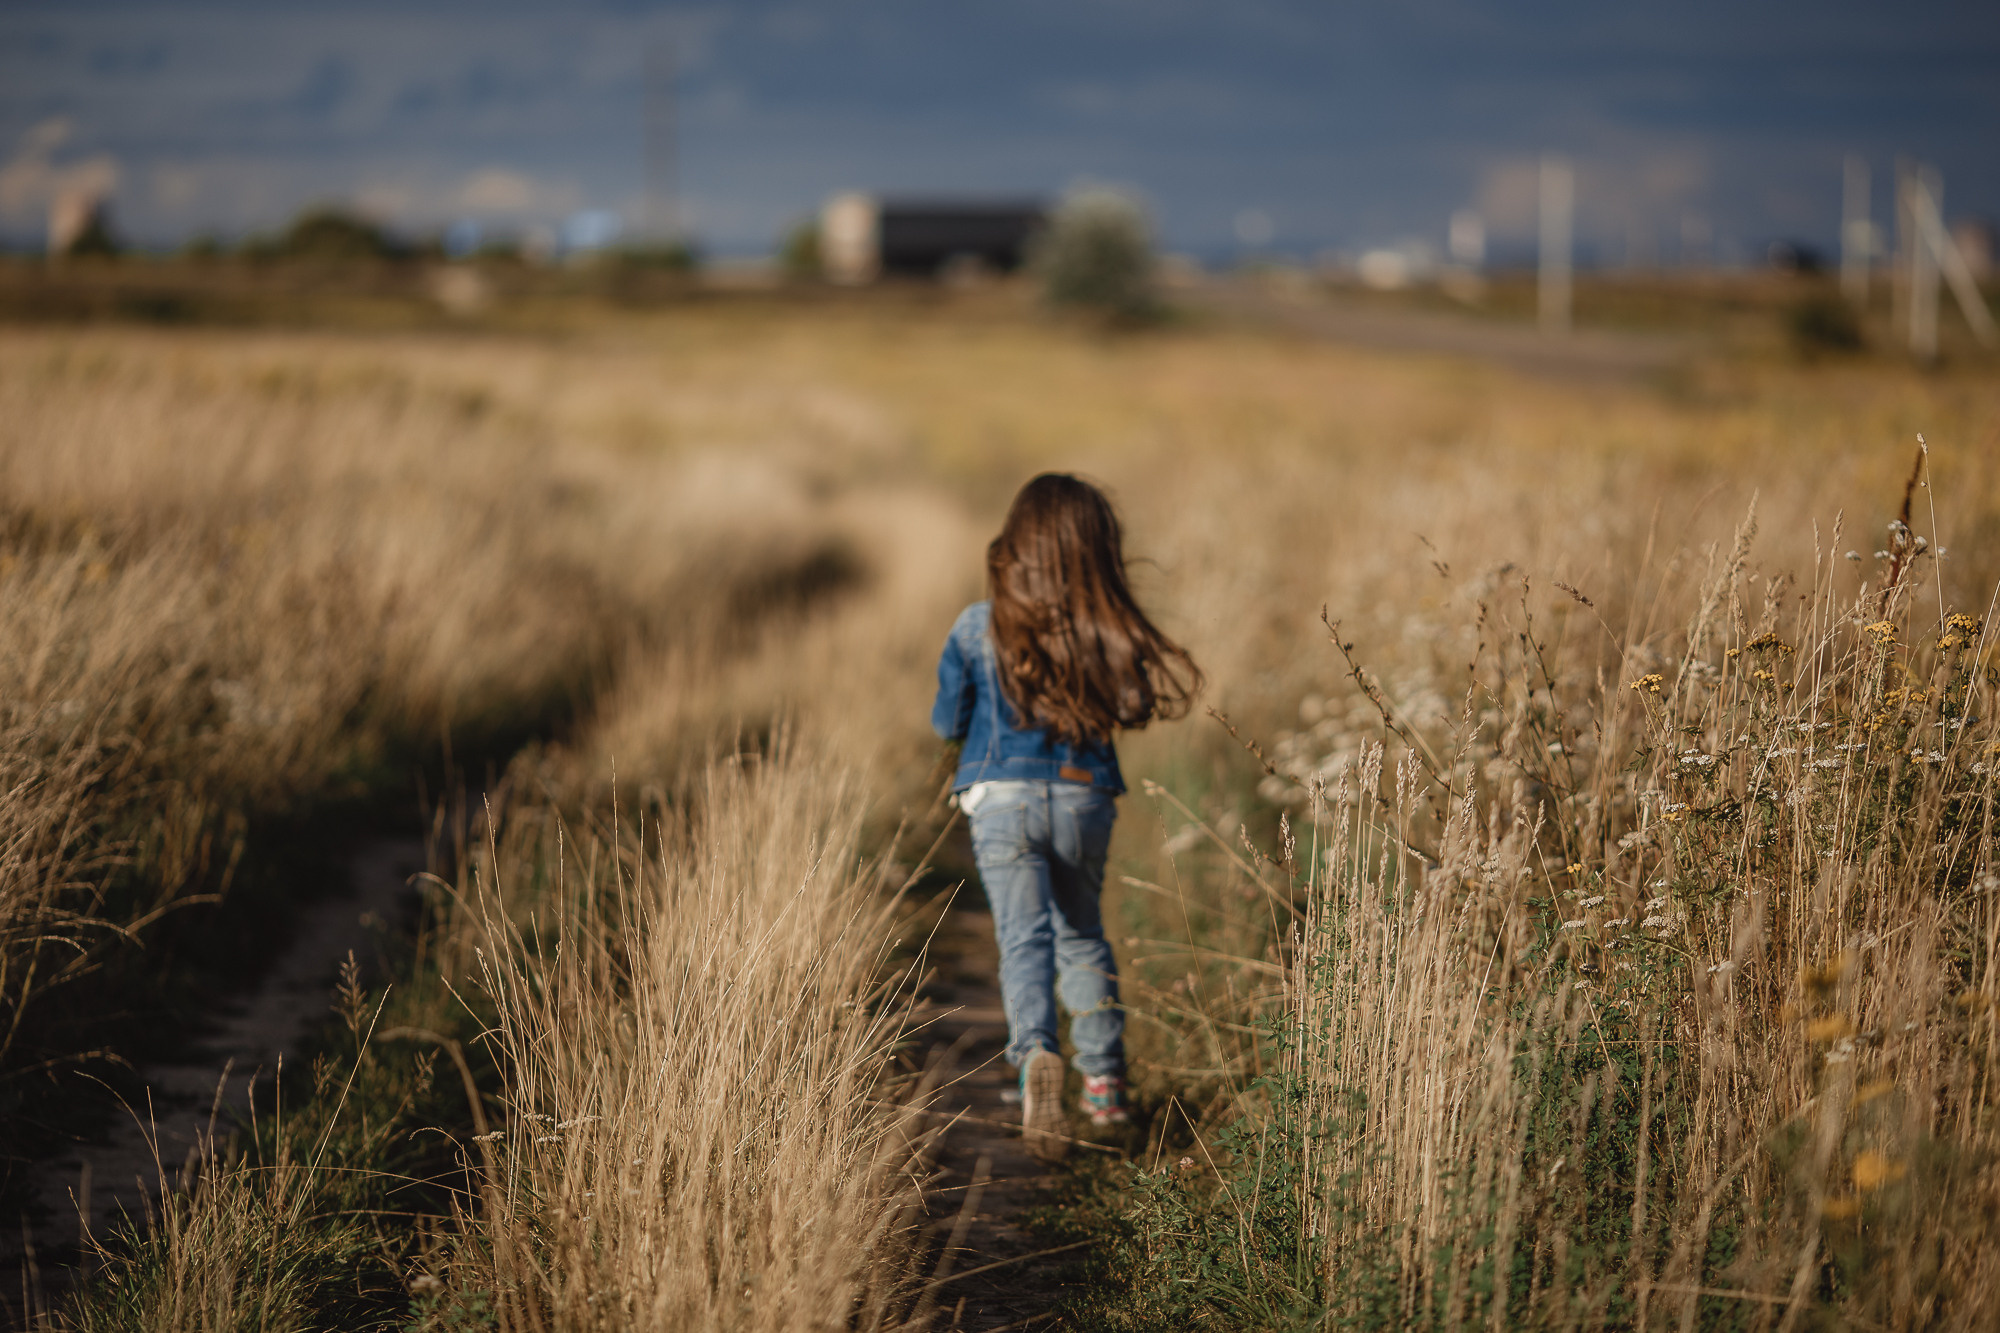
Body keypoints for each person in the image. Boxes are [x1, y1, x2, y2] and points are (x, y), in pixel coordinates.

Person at [931, 473, 1202, 1160]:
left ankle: (1035, 1061)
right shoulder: (1103, 628)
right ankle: (1105, 1089)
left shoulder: (975, 624)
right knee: (1081, 933)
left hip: (1000, 800)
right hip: (1083, 797)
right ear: (1095, 551)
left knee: (1022, 939)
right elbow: (1130, 706)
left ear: (1016, 545)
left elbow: (946, 721)